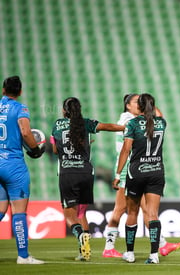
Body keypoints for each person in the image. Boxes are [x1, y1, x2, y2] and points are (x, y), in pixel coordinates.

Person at [103, 93, 180, 258]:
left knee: (146, 209)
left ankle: (161, 244)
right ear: (127, 106)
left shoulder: (137, 121)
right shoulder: (126, 119)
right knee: (121, 208)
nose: (138, 104)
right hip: (128, 167)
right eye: (135, 101)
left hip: (136, 167)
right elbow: (128, 145)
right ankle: (109, 246)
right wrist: (149, 104)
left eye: (140, 102)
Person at [50, 97, 125, 261]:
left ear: (64, 110)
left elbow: (56, 150)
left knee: (70, 216)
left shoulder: (57, 125)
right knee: (81, 213)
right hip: (85, 173)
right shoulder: (86, 123)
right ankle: (85, 251)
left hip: (67, 173)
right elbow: (108, 126)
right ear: (79, 109)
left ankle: (80, 238)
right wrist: (125, 127)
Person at [112, 93, 167, 264]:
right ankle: (154, 255)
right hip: (156, 172)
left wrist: (117, 174)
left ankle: (130, 253)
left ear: (140, 107)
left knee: (133, 212)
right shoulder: (161, 123)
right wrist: (150, 104)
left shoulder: (133, 124)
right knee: (152, 214)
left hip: (136, 173)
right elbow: (159, 114)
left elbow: (126, 150)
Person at [0, 76, 44, 264]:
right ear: (20, 92)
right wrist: (35, 149)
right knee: (18, 211)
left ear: (3, 90)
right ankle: (23, 256)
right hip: (13, 165)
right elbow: (26, 132)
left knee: (1, 210)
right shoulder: (20, 108)